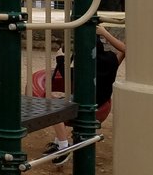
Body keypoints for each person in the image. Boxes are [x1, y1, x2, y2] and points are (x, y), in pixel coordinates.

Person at [40, 24, 127, 166]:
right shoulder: (111, 60)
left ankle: (63, 146)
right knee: (65, 99)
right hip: (103, 105)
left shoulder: (85, 67)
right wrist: (105, 33)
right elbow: (124, 51)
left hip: (85, 105)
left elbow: (66, 75)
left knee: (50, 101)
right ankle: (59, 142)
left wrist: (60, 59)